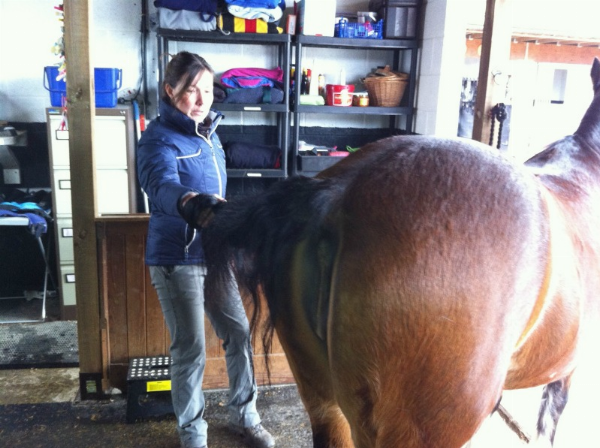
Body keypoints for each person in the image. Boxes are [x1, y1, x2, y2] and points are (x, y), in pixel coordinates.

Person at [137, 51, 275, 448]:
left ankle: (245, 416)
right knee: (191, 348)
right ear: (170, 91)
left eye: (207, 90)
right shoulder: (157, 139)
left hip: (215, 255)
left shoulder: (210, 135)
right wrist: (192, 203)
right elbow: (161, 185)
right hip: (176, 258)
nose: (201, 100)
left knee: (238, 333)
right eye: (191, 91)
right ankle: (193, 434)